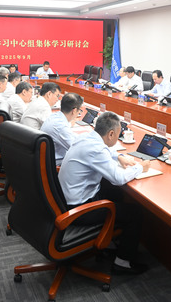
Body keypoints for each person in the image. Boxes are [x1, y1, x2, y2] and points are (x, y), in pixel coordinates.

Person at [58, 111, 149, 274]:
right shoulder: (96, 149)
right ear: (111, 134)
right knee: (135, 212)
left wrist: (119, 156)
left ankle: (112, 243)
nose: (118, 138)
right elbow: (118, 178)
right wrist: (140, 167)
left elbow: (104, 151)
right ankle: (122, 262)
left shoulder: (85, 137)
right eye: (118, 135)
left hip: (65, 201)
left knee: (115, 193)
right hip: (79, 210)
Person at [40, 93, 83, 165]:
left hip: (47, 159)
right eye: (80, 110)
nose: (79, 112)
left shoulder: (55, 116)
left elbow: (71, 136)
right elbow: (77, 150)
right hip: (55, 165)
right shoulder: (60, 127)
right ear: (74, 110)